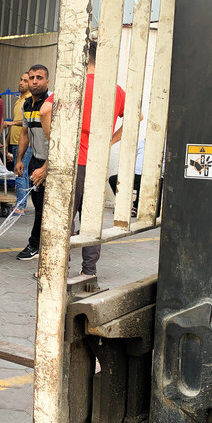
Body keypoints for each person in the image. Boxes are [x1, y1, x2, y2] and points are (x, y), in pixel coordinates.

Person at [66, 40, 127, 279]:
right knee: (91, 218)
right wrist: (110, 141)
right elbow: (137, 116)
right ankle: (89, 271)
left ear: (83, 59)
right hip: (96, 163)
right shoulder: (116, 90)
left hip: (74, 162)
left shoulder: (75, 85)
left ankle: (59, 268)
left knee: (65, 217)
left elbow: (45, 111)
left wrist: (57, 139)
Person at [15, 65, 51, 261]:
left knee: (48, 208)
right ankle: (41, 244)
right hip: (36, 160)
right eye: (31, 78)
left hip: (52, 162)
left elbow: (58, 140)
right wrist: (20, 159)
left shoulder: (52, 103)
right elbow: (24, 133)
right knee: (39, 206)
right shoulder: (27, 105)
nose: (34, 81)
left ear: (47, 81)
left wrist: (46, 167)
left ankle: (35, 245)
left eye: (39, 77)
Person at [4, 73, 32, 215]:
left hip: (25, 144)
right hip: (15, 141)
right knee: (22, 173)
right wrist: (7, 142)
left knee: (20, 173)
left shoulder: (29, 100)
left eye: (25, 81)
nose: (21, 82)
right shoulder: (19, 100)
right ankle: (22, 204)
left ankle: (21, 206)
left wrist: (12, 123)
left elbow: (27, 122)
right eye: (21, 79)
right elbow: (14, 122)